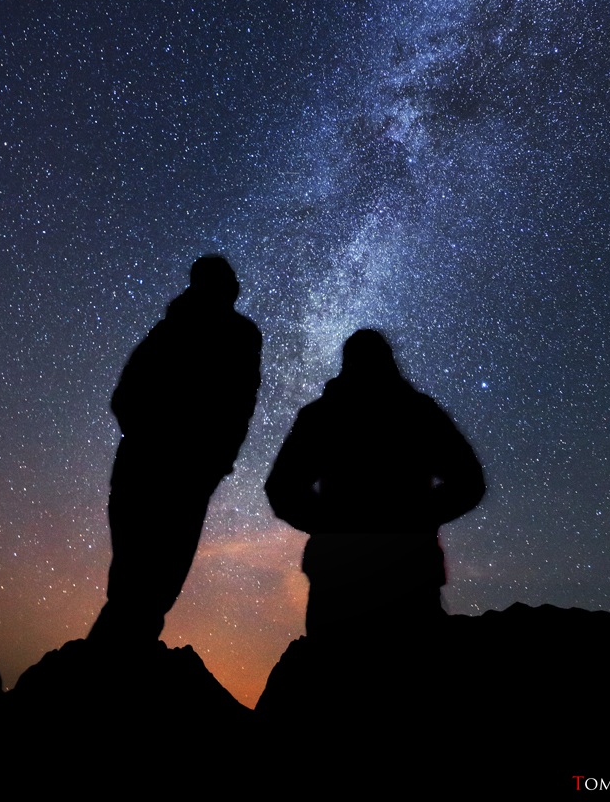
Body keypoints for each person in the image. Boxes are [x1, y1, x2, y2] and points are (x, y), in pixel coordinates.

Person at [265, 328, 485, 637]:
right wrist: (417, 517)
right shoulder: (419, 414)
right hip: (408, 569)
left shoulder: (321, 417)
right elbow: (469, 482)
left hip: (340, 573)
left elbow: (282, 489)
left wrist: (330, 524)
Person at [88, 255, 261, 644]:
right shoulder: (238, 336)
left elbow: (123, 398)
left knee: (136, 585)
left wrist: (151, 442)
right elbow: (238, 408)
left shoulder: (167, 331)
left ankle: (106, 662)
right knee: (148, 587)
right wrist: (207, 460)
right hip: (179, 474)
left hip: (147, 467)